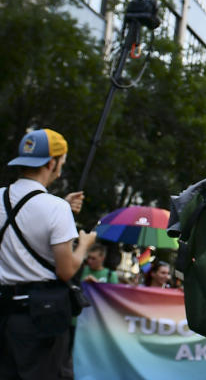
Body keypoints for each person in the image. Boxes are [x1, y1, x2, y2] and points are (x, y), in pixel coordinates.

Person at [0, 128, 96, 379]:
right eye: (61, 162)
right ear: (52, 163)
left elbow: (24, 221)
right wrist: (84, 245)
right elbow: (66, 271)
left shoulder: (0, 197)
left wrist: (62, 205)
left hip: (4, 313)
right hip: (40, 319)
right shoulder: (56, 208)